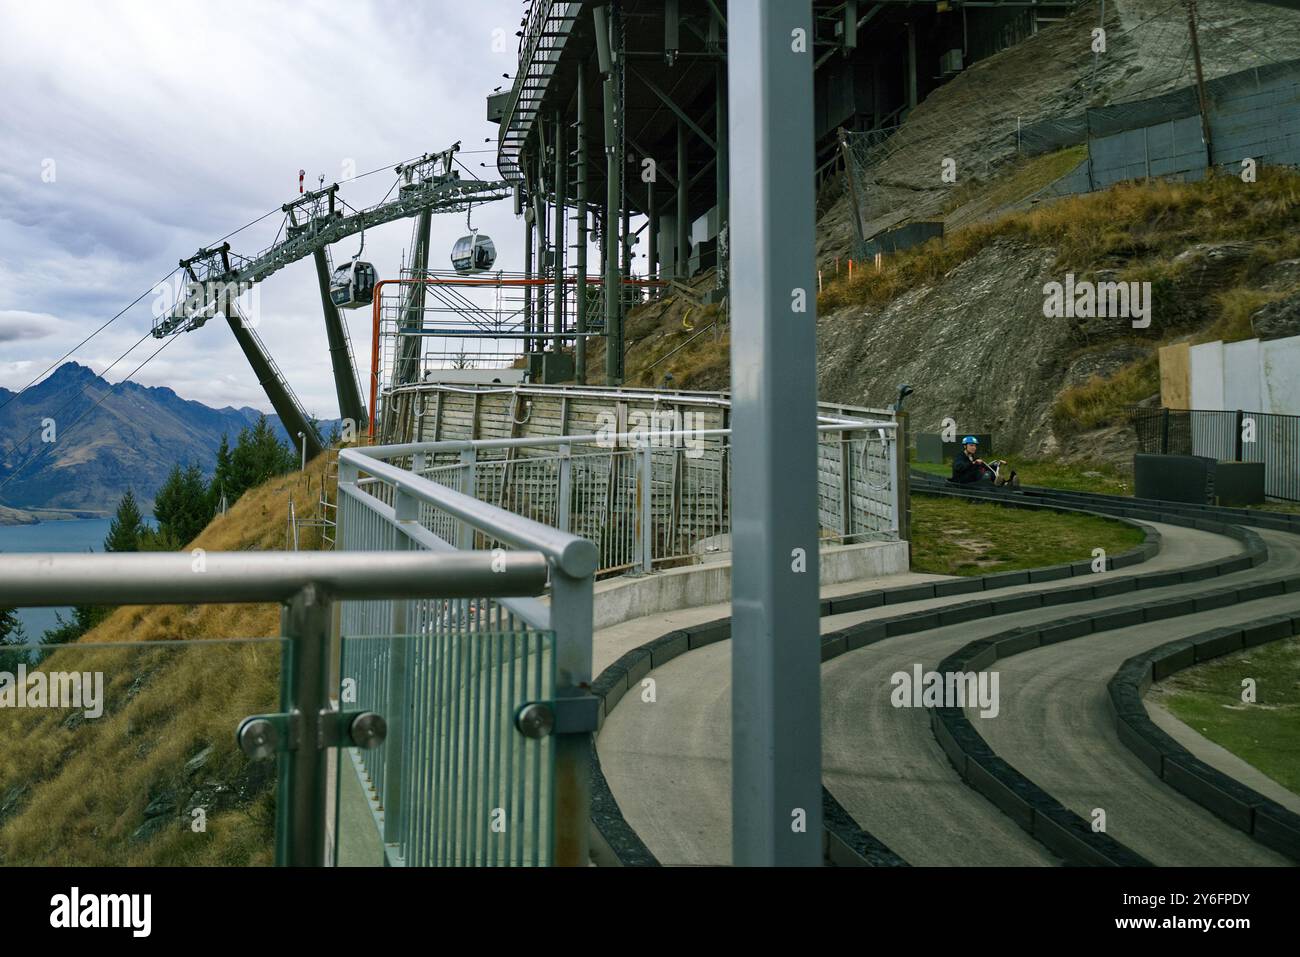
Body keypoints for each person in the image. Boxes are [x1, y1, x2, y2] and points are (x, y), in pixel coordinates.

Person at [951, 436, 1019, 489]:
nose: (974, 448)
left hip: (971, 478)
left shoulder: (974, 457)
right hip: (961, 480)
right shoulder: (960, 456)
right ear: (965, 446)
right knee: (980, 472)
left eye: (975, 446)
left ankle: (1005, 483)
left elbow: (985, 466)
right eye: (971, 445)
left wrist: (997, 463)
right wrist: (973, 463)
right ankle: (996, 484)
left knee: (986, 470)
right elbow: (959, 467)